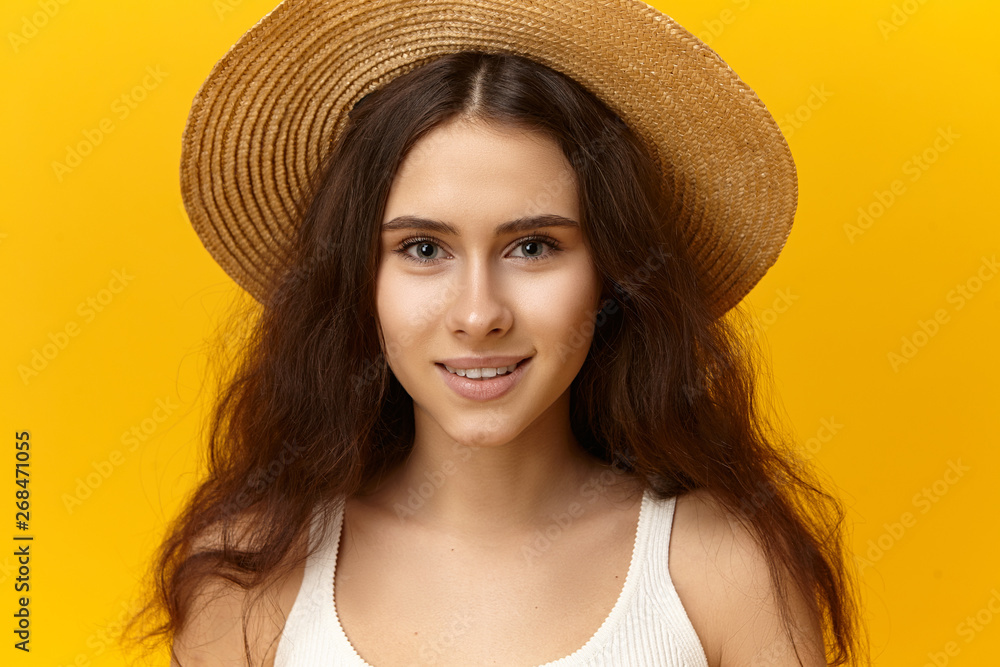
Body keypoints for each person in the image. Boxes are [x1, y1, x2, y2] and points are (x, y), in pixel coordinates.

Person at [125, 1, 867, 665]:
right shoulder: (250, 573)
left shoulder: (723, 569)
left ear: (613, 269)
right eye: (423, 249)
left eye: (534, 246)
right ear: (358, 279)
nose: (478, 314)